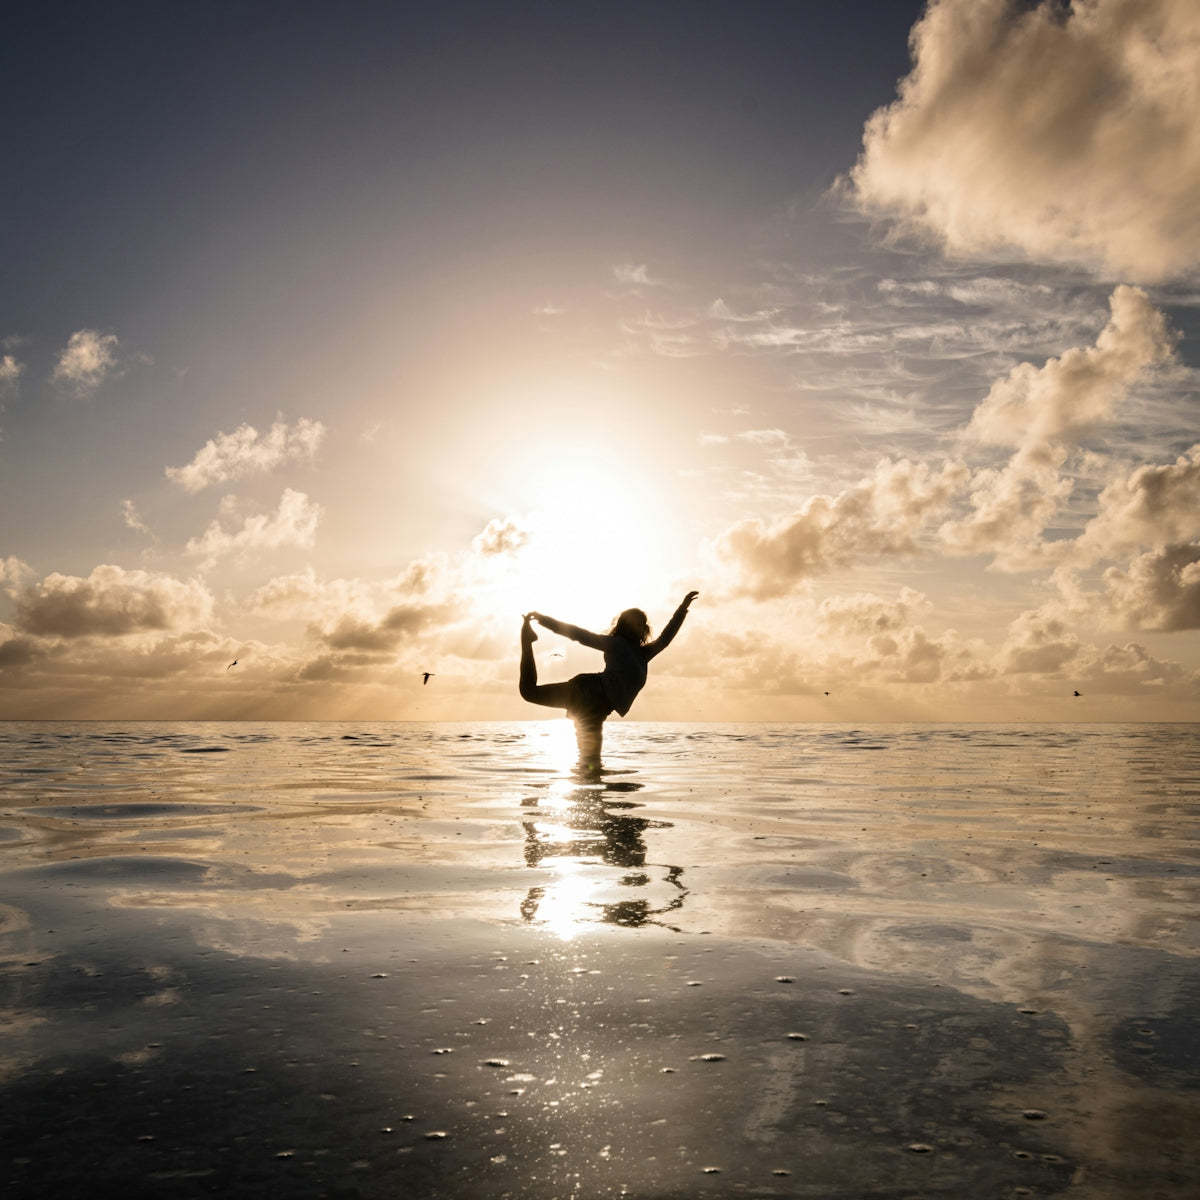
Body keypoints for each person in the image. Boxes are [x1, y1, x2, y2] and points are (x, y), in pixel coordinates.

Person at [519, 591, 698, 772]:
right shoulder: (616, 644)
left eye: (642, 623)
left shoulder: (643, 654)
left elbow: (665, 638)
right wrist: (545, 620)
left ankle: (527, 639)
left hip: (597, 708)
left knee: (591, 765)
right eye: (635, 623)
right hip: (587, 694)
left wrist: (683, 608)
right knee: (591, 765)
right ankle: (527, 640)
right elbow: (580, 635)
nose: (641, 626)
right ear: (625, 626)